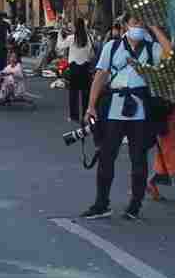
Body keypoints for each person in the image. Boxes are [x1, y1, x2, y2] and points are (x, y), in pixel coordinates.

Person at [80, 18, 164, 222]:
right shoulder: (113, 46)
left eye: (143, 23)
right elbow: (100, 76)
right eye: (135, 23)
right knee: (106, 156)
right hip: (115, 106)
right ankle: (101, 203)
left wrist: (155, 29)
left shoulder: (152, 48)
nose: (138, 27)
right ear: (126, 25)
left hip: (140, 108)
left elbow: (170, 56)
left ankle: (135, 205)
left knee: (139, 158)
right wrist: (91, 106)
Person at [64, 19, 97, 125]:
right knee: (85, 92)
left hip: (73, 67)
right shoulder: (90, 38)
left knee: (73, 93)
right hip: (85, 67)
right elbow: (92, 55)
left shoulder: (71, 38)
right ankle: (85, 114)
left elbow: (61, 48)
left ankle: (74, 115)